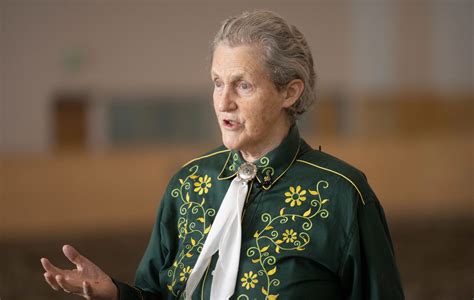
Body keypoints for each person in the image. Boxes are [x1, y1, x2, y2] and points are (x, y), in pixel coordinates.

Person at [41, 10, 404, 300]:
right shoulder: (188, 183)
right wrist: (115, 293)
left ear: (289, 93)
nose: (223, 102)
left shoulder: (343, 193)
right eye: (218, 82)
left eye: (243, 85)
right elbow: (155, 294)